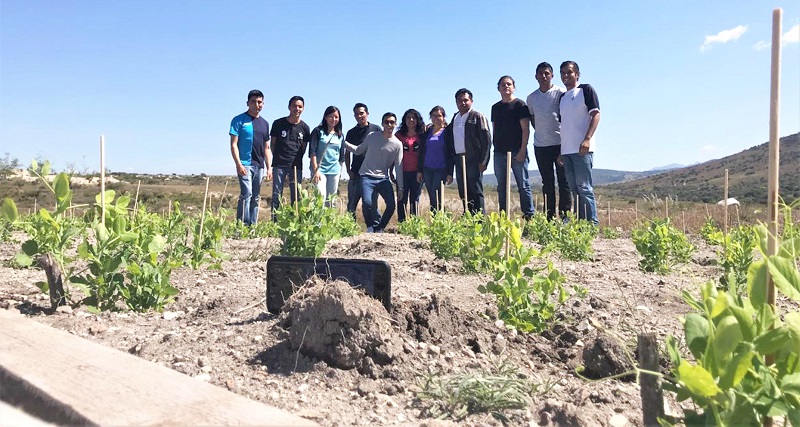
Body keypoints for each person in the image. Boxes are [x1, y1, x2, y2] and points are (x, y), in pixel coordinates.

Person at [343, 112, 403, 233]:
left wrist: (400, 188)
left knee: (391, 205)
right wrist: (342, 142)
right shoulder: (372, 136)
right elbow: (358, 150)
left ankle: (380, 228)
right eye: (386, 122)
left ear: (395, 124)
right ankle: (370, 226)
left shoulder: (398, 144)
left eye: (392, 122)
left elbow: (398, 167)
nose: (389, 124)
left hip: (383, 178)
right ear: (382, 124)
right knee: (367, 202)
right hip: (366, 176)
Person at [527, 62, 571, 221]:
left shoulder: (561, 93)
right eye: (541, 74)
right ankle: (549, 217)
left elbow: (567, 117)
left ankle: (565, 218)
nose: (544, 76)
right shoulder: (531, 98)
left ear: (552, 75)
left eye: (547, 73)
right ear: (536, 76)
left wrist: (564, 144)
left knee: (564, 182)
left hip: (560, 144)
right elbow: (533, 120)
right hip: (541, 146)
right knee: (547, 183)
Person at [558, 60, 600, 225]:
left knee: (584, 188)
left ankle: (592, 224)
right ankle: (581, 223)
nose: (566, 76)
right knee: (574, 189)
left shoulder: (586, 90)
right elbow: (564, 125)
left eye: (569, 72)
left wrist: (587, 139)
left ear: (577, 74)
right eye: (563, 73)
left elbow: (596, 114)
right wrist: (561, 150)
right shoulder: (562, 97)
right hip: (567, 150)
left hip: (582, 149)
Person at [491, 76, 534, 219]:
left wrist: (523, 150)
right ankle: (504, 218)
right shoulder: (495, 108)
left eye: (509, 84)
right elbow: (495, 129)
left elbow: (526, 129)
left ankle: (529, 217)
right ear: (498, 88)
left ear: (514, 87)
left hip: (517, 151)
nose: (506, 87)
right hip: (499, 153)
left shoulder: (520, 105)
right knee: (501, 188)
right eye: (502, 85)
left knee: (523, 186)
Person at [444, 88, 491, 215]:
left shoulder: (477, 116)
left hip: (474, 159)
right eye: (460, 100)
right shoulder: (455, 118)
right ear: (456, 102)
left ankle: (479, 219)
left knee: (475, 190)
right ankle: (468, 216)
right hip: (459, 159)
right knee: (463, 190)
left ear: (471, 101)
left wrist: (484, 161)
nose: (463, 103)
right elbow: (446, 132)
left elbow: (487, 140)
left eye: (466, 100)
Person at [229, 89, 271, 226]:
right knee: (246, 194)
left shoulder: (265, 124)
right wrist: (238, 164)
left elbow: (266, 148)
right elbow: (234, 144)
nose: (256, 104)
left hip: (259, 165)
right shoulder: (238, 120)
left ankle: (253, 226)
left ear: (263, 104)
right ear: (248, 103)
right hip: (245, 164)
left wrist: (269, 168)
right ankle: (242, 226)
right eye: (253, 101)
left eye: (259, 102)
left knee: (256, 197)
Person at [270, 96, 311, 219]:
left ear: (303, 108)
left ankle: (295, 221)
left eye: (299, 106)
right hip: (279, 165)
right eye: (294, 106)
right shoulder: (278, 123)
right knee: (277, 194)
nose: (296, 109)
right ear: (289, 107)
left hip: (296, 166)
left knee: (296, 196)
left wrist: (295, 159)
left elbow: (303, 148)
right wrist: (278, 157)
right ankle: (275, 222)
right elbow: (273, 144)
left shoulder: (305, 128)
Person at [344, 103, 382, 218]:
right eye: (356, 114)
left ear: (367, 114)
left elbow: (382, 150)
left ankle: (375, 228)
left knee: (371, 203)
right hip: (356, 172)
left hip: (372, 173)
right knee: (351, 205)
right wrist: (348, 170)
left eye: (361, 113)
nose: (359, 116)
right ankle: (350, 229)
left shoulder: (376, 130)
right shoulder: (351, 132)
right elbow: (347, 153)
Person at [417, 106, 452, 211]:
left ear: (444, 117)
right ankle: (435, 221)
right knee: (432, 196)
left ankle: (442, 219)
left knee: (437, 195)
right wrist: (419, 170)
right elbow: (422, 152)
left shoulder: (447, 132)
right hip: (427, 168)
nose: (436, 118)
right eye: (433, 115)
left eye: (439, 115)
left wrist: (450, 172)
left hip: (441, 169)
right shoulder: (426, 132)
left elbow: (450, 153)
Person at [309, 106, 344, 207]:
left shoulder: (340, 135)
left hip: (334, 170)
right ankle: (318, 223)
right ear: (325, 117)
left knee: (331, 200)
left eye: (336, 117)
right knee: (320, 198)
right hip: (320, 170)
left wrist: (340, 171)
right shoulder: (318, 131)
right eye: (331, 116)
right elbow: (312, 152)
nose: (334, 119)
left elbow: (341, 157)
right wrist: (316, 170)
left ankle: (329, 222)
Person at [395, 109, 425, 222]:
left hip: (417, 172)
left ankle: (414, 224)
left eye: (414, 118)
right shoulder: (398, 135)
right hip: (401, 172)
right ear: (404, 120)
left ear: (417, 120)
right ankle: (402, 224)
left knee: (414, 199)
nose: (411, 120)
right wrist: (391, 171)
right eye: (408, 117)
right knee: (401, 199)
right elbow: (392, 153)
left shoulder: (422, 135)